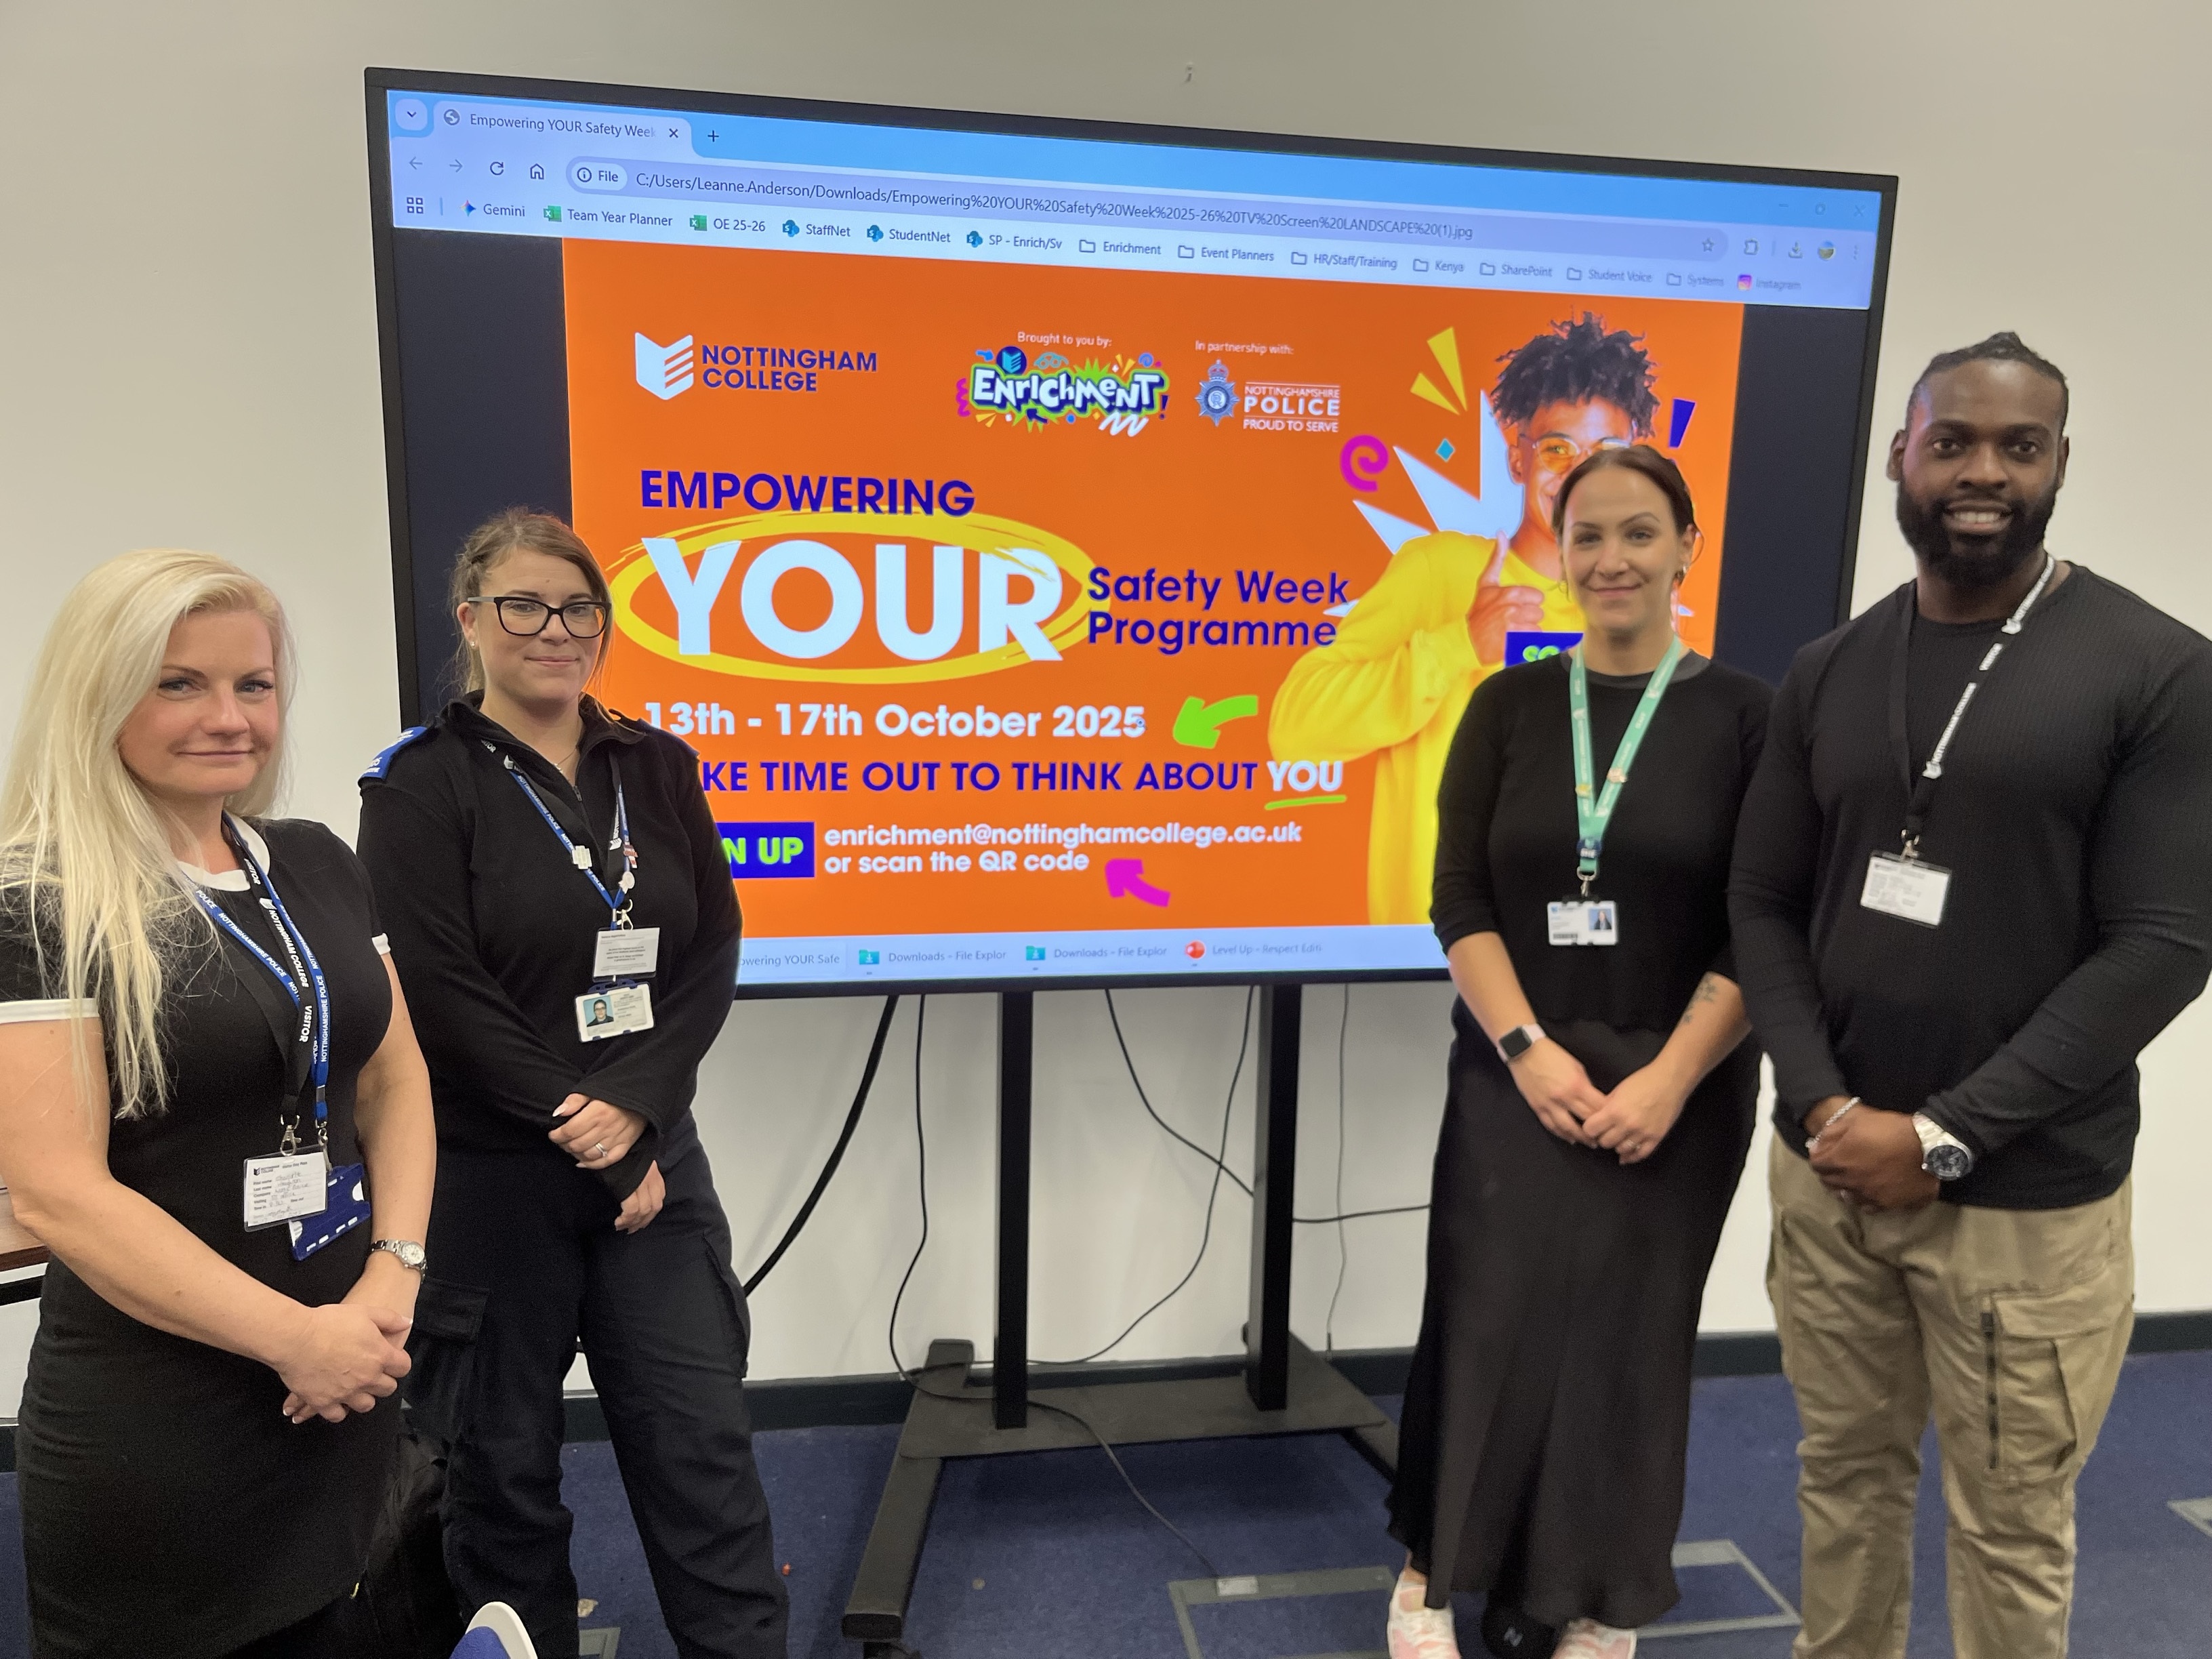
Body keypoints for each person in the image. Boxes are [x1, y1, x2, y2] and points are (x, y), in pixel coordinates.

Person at [1728, 333, 2212, 1659]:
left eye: (2020, 445)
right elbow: (1762, 903)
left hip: (2025, 1202)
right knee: (1845, 1484)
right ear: (1904, 455)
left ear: (2060, 466)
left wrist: (1942, 1134)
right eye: (1955, 441)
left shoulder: (2156, 670)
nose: (1983, 471)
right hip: (1827, 1181)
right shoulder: (1830, 668)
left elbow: (2166, 943)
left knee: (2010, 1526)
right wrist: (1825, 1107)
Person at [356, 510, 787, 1659]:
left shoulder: (656, 764)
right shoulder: (417, 785)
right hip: (496, 1184)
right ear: (471, 621)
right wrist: (589, 1130)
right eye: (523, 606)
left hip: (655, 1170)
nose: (554, 629)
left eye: (576, 608)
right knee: (500, 1476)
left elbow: (709, 953)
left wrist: (638, 1112)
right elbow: (439, 991)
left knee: (703, 1452)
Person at [0, 550, 437, 1658]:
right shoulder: (40, 899)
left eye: (253, 683)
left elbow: (392, 1072)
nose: (229, 716)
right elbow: (60, 1195)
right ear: (101, 693)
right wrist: (303, 1341)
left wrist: (393, 1268)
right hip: (169, 1421)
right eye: (179, 682)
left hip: (342, 1374)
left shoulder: (314, 859)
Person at [1387, 448, 1770, 1659]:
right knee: (1483, 1318)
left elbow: (1764, 919)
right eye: (1586, 534)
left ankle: (1597, 1594)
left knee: (1627, 1336)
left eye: (1637, 533)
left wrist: (1666, 1080)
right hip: (1517, 1070)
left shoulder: (1750, 718)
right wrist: (1524, 1050)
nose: (1609, 558)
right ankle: (1427, 1576)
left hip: (1681, 1082)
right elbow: (1457, 897)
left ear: (1683, 547)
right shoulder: (1504, 706)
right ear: (1557, 552)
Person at [1271, 314, 1660, 923]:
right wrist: (1459, 644)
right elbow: (1296, 726)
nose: (1582, 474)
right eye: (1558, 448)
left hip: (1567, 957)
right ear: (1517, 457)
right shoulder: (1439, 570)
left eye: (1607, 453)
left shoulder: (1637, 616)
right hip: (1429, 955)